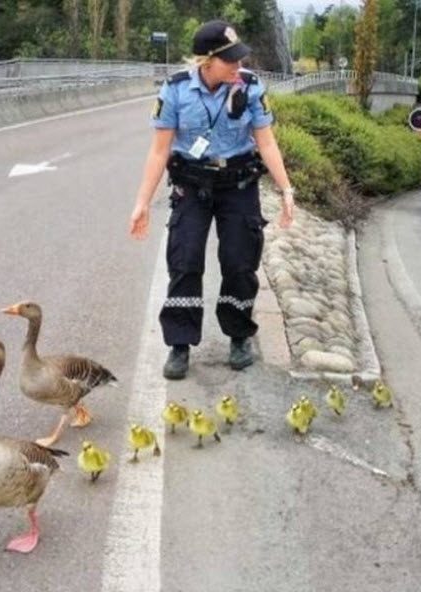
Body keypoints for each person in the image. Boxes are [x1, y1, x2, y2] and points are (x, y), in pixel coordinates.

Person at [129, 19, 296, 380]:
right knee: (185, 260)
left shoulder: (250, 86)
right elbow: (159, 152)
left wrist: (286, 190)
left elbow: (266, 142)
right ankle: (179, 343)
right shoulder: (174, 90)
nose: (238, 65)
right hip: (192, 186)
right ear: (206, 61)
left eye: (239, 58)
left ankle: (238, 334)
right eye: (229, 60)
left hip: (238, 184)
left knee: (239, 260)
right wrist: (142, 201)